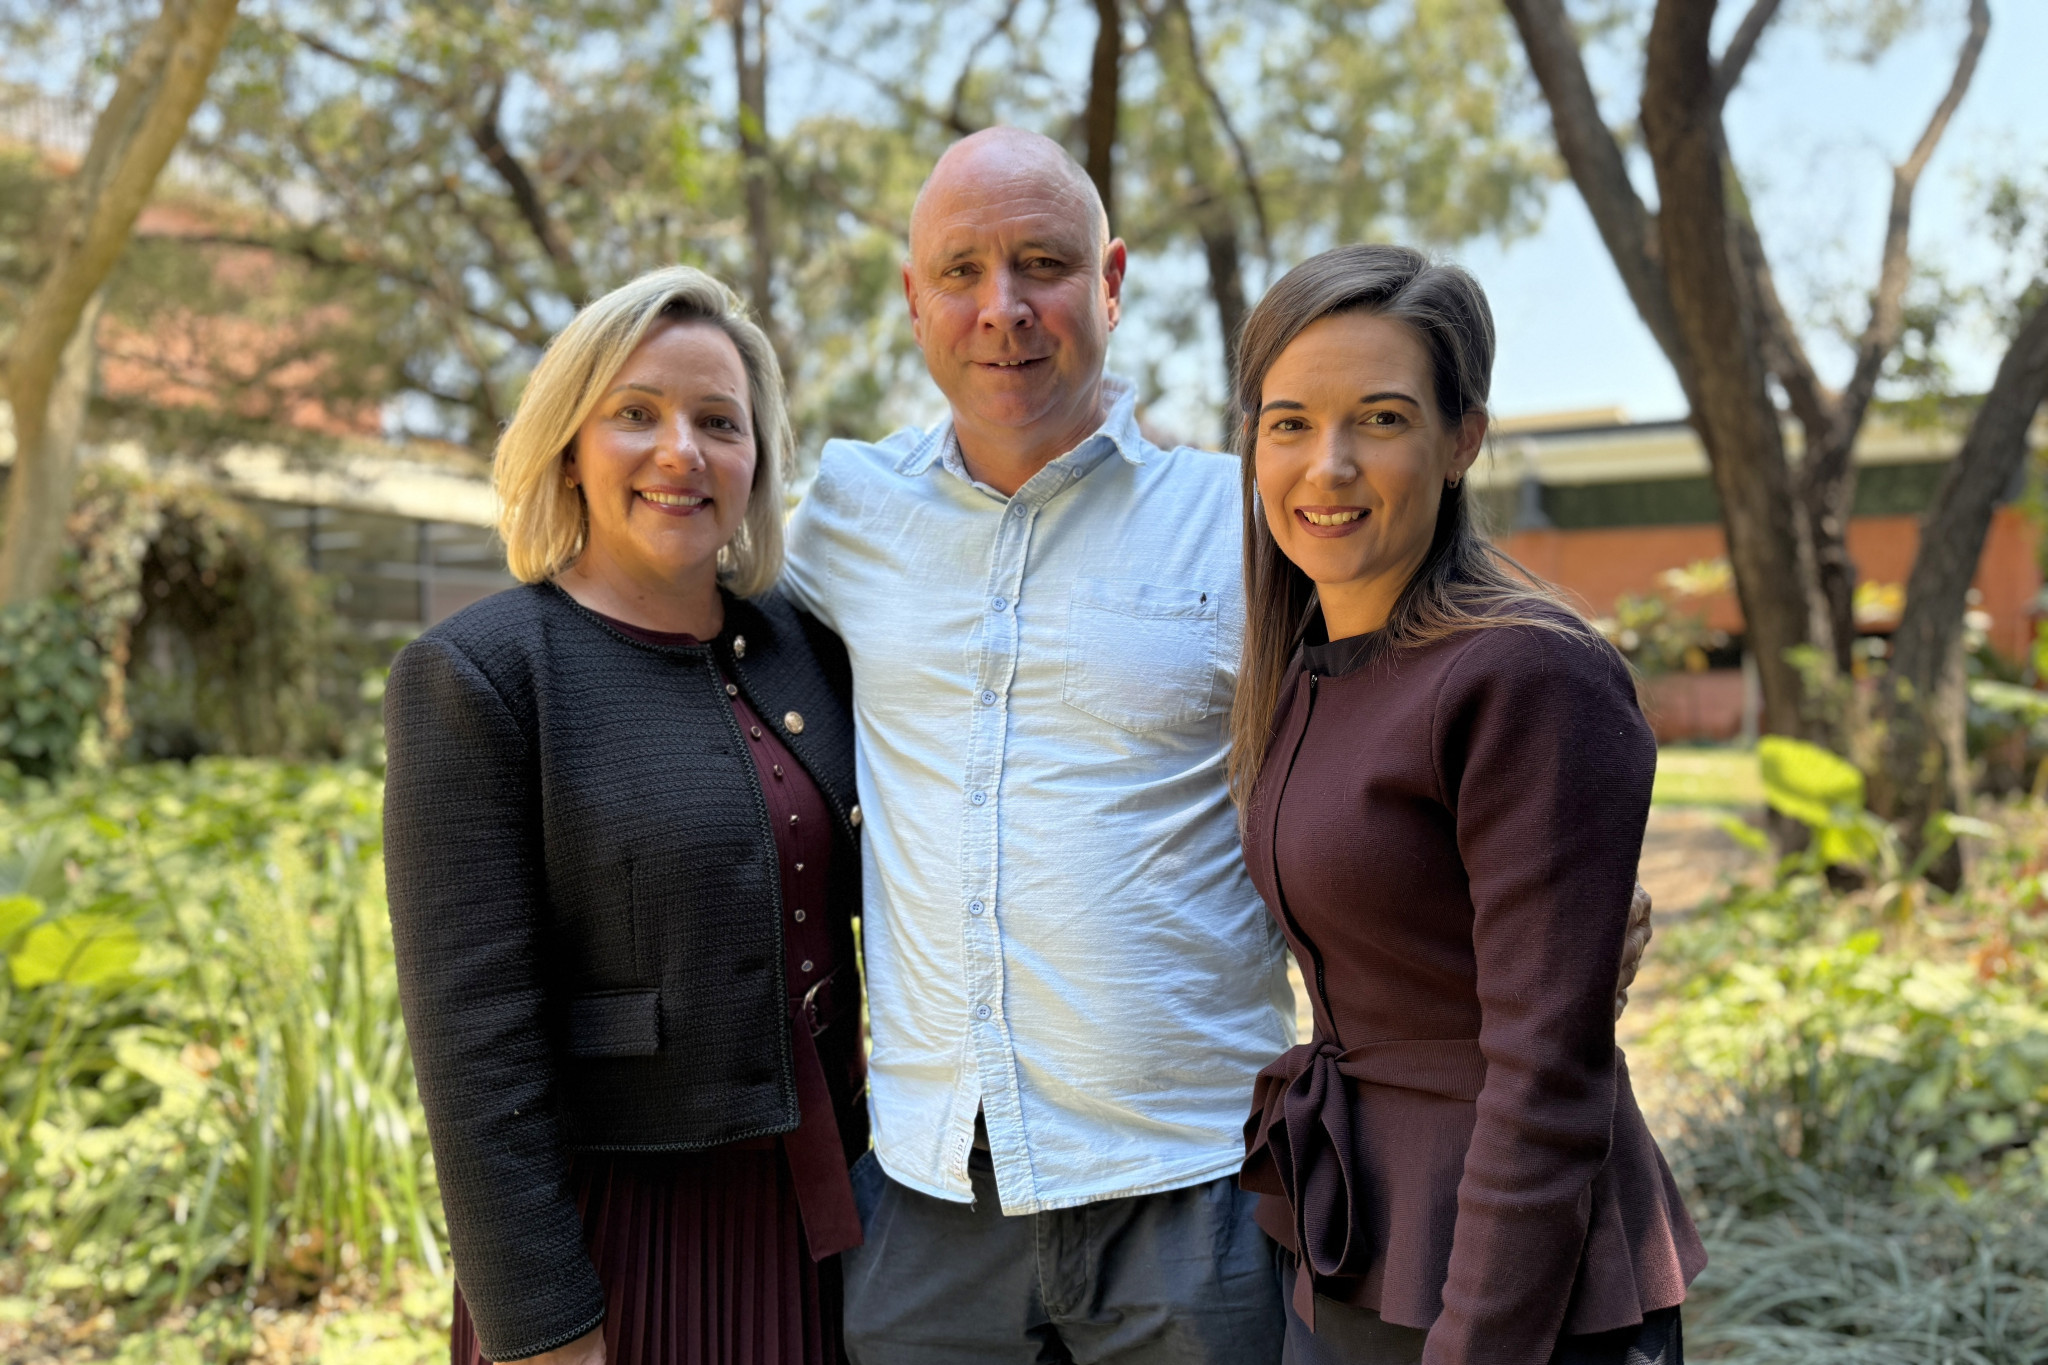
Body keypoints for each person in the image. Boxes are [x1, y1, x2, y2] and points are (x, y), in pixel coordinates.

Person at [780, 127, 1291, 1363]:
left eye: (1041, 265)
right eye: (959, 271)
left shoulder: (1241, 519)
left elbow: (1423, 676)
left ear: (1110, 281)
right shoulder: (841, 515)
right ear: (913, 300)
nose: (1000, 309)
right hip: (929, 1192)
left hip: (1192, 1188)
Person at [1229, 245, 1706, 1365]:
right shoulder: (1305, 666)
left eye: (1381, 419)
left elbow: (1545, 1070)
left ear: (1461, 441)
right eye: (1289, 422)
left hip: (1508, 1280)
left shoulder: (1529, 675)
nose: (1326, 465)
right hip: (1353, 1242)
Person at [383, 266, 868, 1365]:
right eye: (635, 414)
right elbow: (472, 1046)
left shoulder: (805, 648)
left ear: (757, 461)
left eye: (718, 422)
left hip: (826, 1206)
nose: (680, 452)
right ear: (568, 446)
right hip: (622, 1229)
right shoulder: (483, 675)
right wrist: (541, 1320)